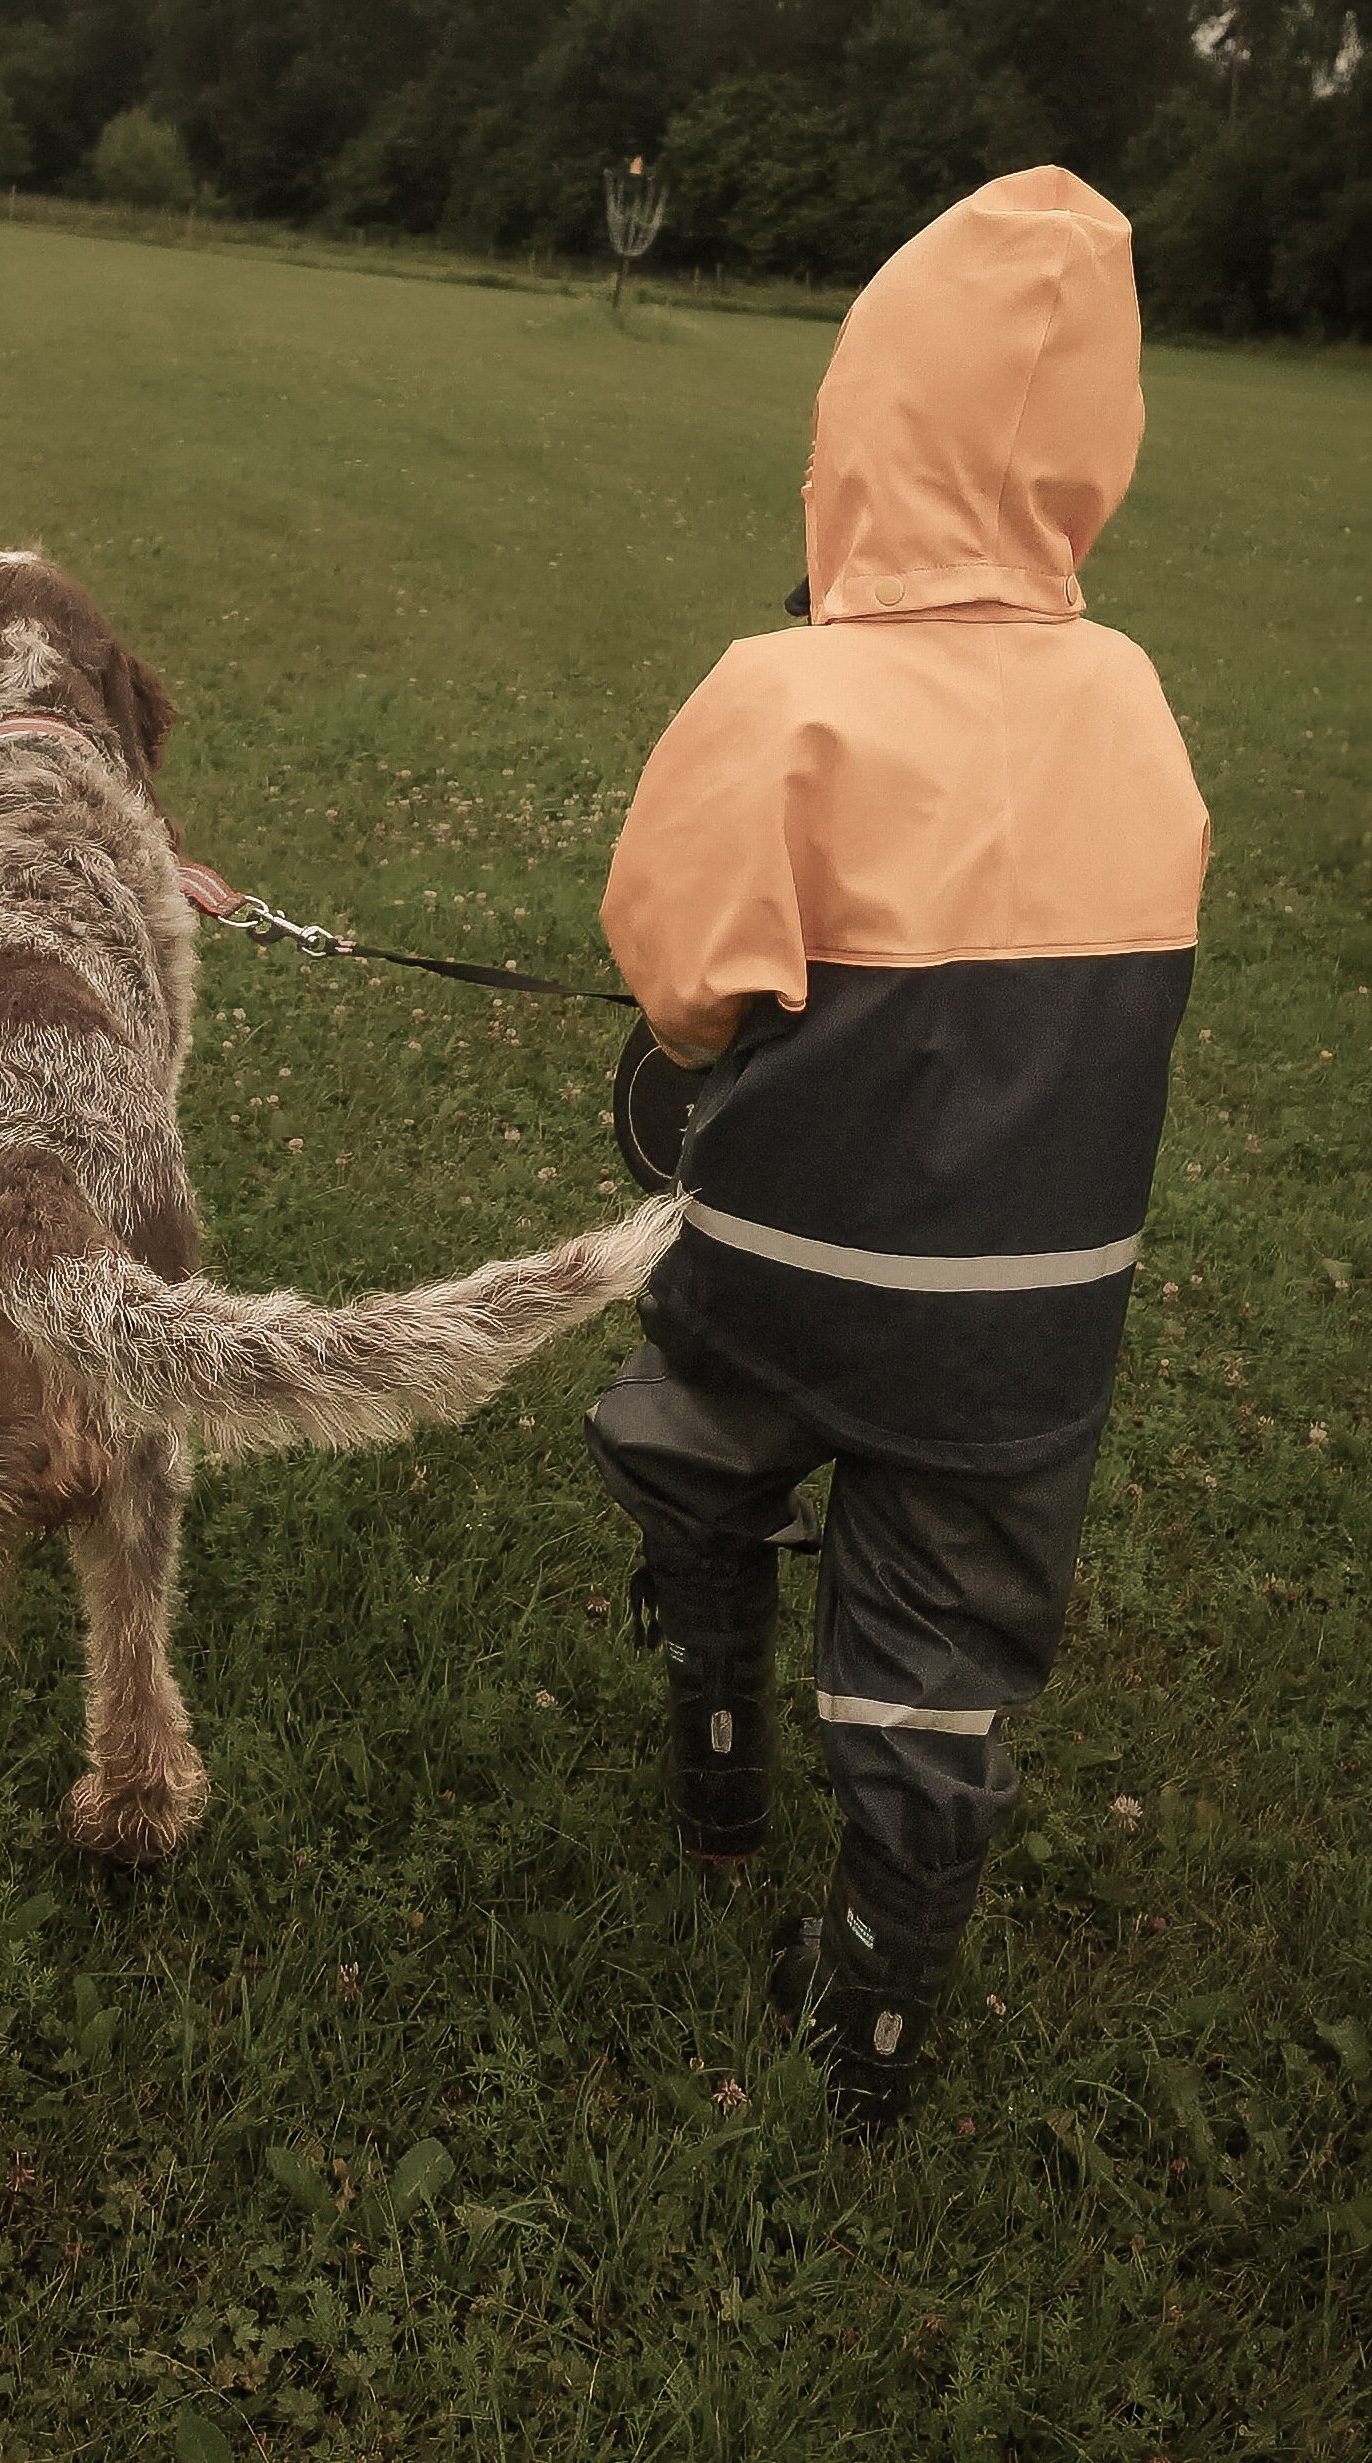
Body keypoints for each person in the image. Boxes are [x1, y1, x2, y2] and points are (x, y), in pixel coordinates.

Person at [587, 166, 1209, 2127]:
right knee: (942, 1647)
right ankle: (875, 2016)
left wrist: (704, 1039)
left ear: (861, 429)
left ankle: (712, 1738)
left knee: (697, 1429)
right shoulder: (1139, 706)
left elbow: (685, 986)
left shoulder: (789, 691)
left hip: (792, 1274)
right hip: (1027, 1323)